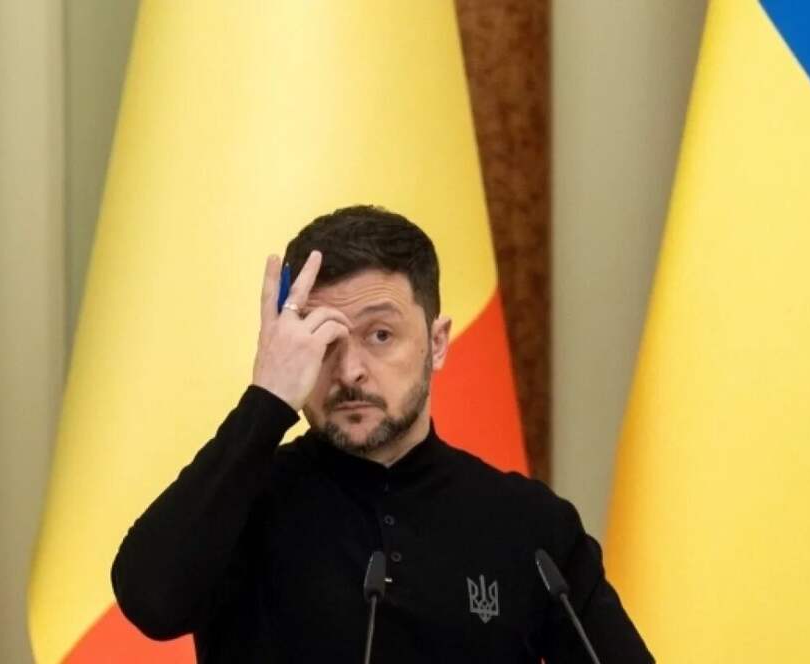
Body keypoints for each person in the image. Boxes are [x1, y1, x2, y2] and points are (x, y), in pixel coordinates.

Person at [111, 205, 653, 662]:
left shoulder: (529, 525)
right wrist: (268, 399)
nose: (350, 372)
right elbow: (151, 602)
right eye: (325, 341)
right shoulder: (239, 503)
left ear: (437, 344)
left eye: (380, 336)